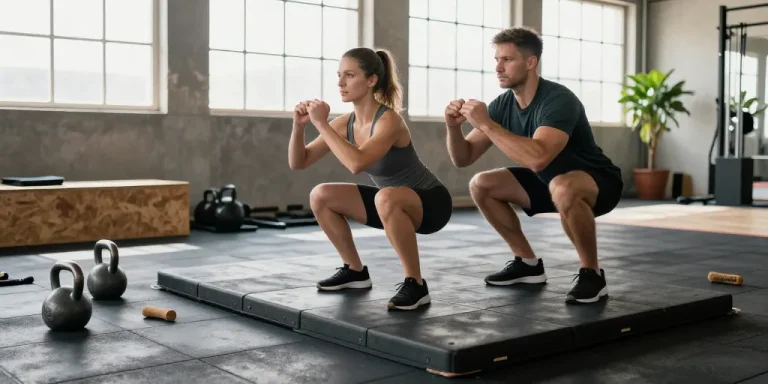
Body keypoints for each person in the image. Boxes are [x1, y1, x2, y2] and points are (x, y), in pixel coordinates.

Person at [444, 27, 623, 304]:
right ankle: (527, 264)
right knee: (481, 184)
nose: (498, 67)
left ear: (530, 63)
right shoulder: (503, 104)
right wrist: (453, 128)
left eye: (507, 60)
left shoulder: (558, 99)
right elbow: (463, 158)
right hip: (548, 182)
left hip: (597, 182)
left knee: (563, 186)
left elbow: (538, 158)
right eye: (496, 60)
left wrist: (487, 124)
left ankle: (592, 275)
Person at [288, 47, 452, 311]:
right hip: (388, 204)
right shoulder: (345, 123)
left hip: (431, 204)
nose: (341, 83)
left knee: (386, 195)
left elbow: (357, 163)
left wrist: (321, 124)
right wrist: (299, 127)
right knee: (321, 195)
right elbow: (299, 162)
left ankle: (416, 285)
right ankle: (354, 271)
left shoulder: (389, 121)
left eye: (350, 75)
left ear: (371, 80)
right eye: (339, 75)